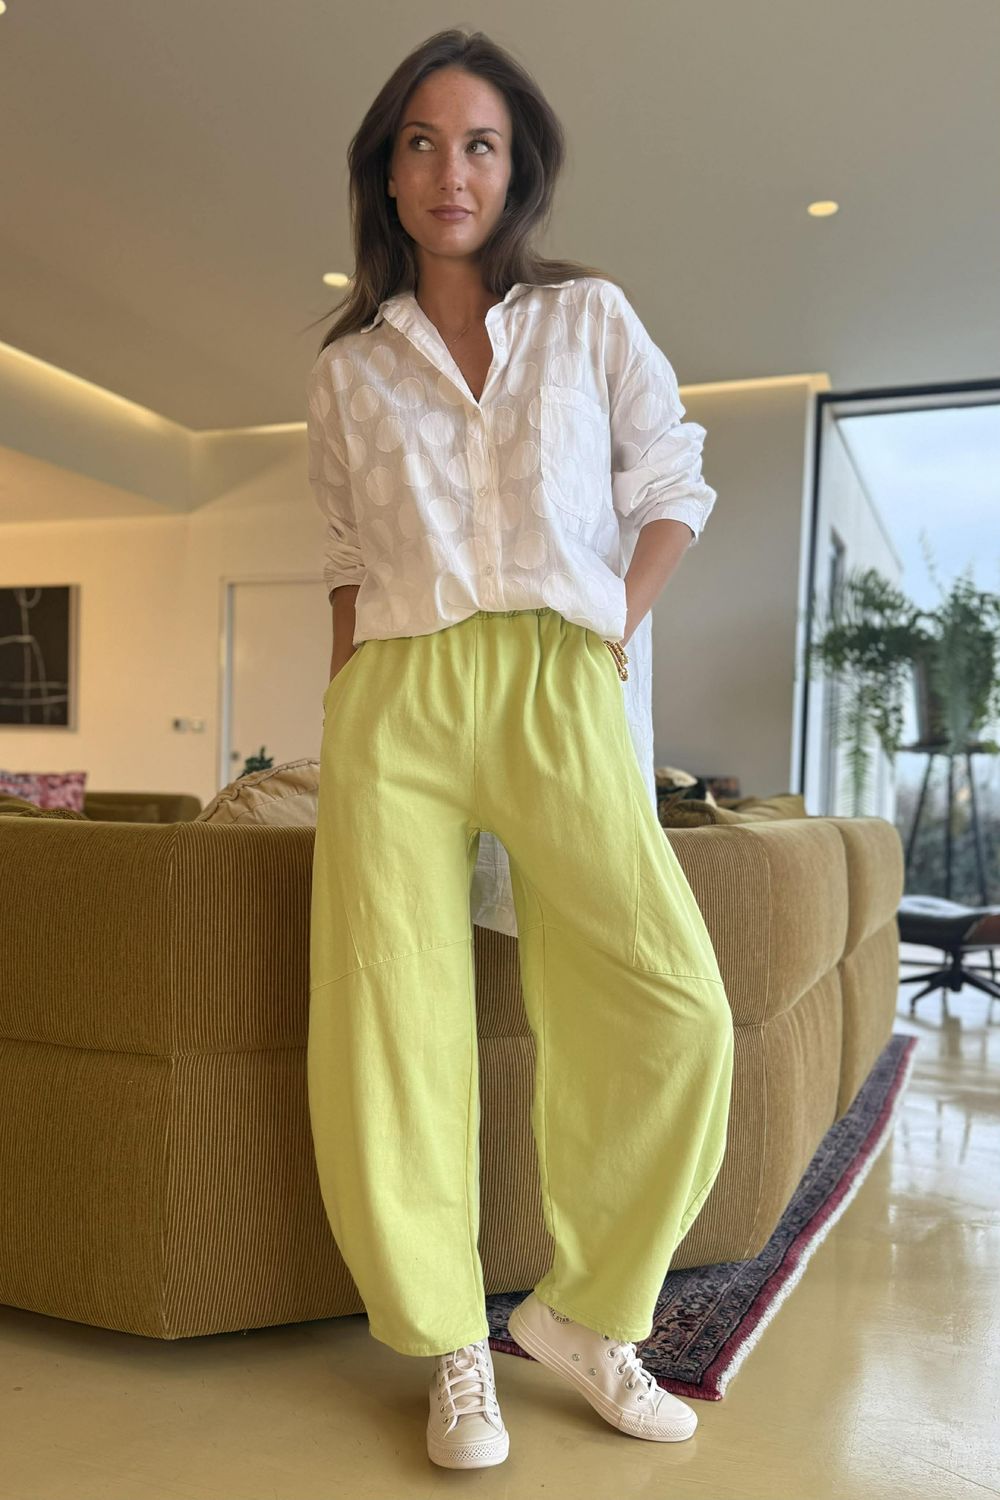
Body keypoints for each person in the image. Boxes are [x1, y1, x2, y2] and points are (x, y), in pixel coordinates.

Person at [304, 26, 735, 1472]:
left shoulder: (588, 317)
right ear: (387, 171)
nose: (451, 170)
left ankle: (587, 1317)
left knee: (670, 1003)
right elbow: (349, 564)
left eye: (479, 143)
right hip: (397, 698)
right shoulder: (350, 369)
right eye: (421, 143)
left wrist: (613, 623)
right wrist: (340, 714)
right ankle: (448, 1344)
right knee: (393, 1021)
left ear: (517, 166)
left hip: (559, 677)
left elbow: (673, 481)